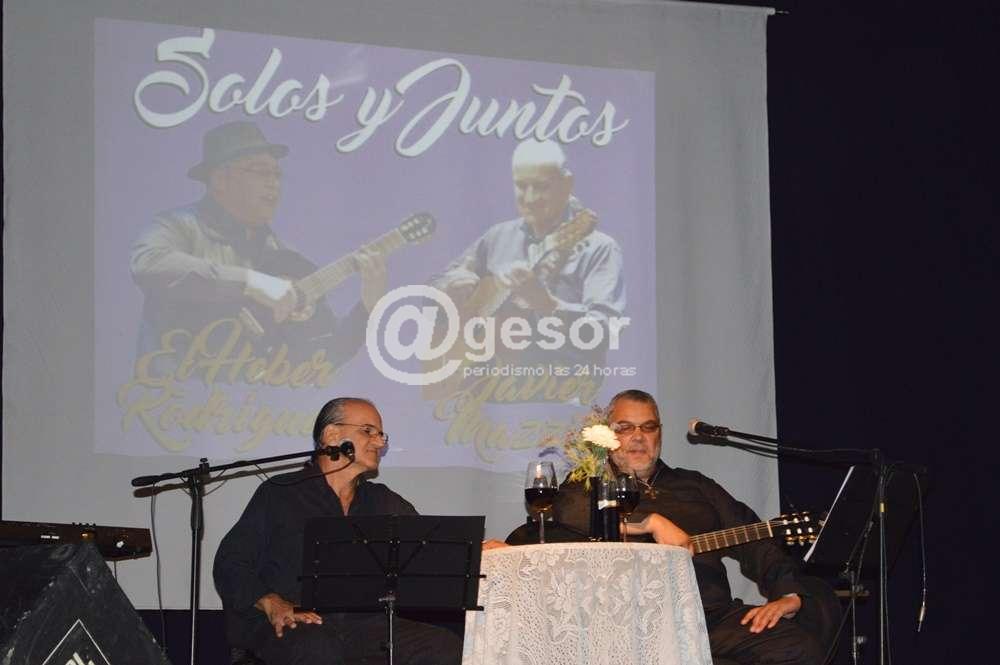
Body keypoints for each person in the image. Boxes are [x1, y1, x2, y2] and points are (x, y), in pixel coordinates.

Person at [532, 389, 839, 665]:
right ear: (608, 435)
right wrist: (651, 522)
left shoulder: (695, 486)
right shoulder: (590, 483)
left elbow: (756, 538)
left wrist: (788, 594)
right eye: (625, 427)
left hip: (708, 617)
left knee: (799, 648)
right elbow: (567, 512)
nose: (638, 437)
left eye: (648, 427)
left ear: (659, 434)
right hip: (630, 624)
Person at [213, 397, 462, 665]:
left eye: (381, 435)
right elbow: (231, 563)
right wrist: (272, 603)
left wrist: (485, 552)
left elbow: (433, 549)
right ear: (332, 435)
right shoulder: (280, 493)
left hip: (362, 628)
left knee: (444, 647)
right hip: (295, 622)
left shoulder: (383, 501)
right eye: (368, 431)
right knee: (317, 648)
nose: (379, 443)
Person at [130, 121, 385, 377]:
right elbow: (149, 264)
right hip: (177, 396)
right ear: (219, 179)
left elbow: (318, 359)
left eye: (277, 175)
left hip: (248, 398)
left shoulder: (286, 258)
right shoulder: (177, 225)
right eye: (260, 172)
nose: (273, 183)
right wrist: (252, 283)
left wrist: (367, 308)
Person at [429, 138, 626, 383]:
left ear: (567, 184)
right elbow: (436, 286)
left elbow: (607, 332)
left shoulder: (600, 248)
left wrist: (547, 304)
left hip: (562, 393)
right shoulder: (497, 237)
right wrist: (449, 287)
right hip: (484, 389)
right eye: (521, 186)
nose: (530, 198)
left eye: (541, 186)